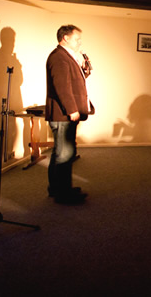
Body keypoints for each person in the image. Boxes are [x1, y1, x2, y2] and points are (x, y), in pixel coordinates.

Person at [45, 24, 94, 204]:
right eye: (77, 38)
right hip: (63, 114)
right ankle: (63, 194)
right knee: (65, 153)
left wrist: (83, 65)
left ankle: (57, 188)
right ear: (65, 38)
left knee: (61, 152)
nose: (80, 42)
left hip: (64, 113)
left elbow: (78, 79)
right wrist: (71, 109)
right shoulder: (59, 57)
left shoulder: (68, 57)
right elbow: (62, 86)